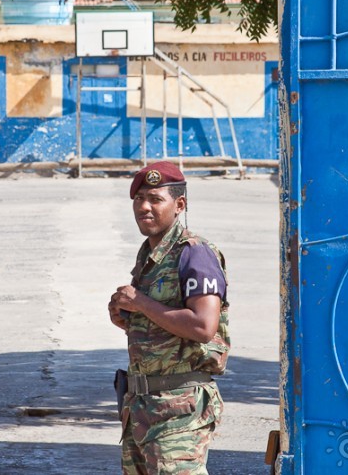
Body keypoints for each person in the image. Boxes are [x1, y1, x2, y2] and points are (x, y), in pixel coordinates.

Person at [109, 161, 230, 475]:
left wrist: (141, 303)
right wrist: (126, 316)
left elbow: (204, 326)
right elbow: (160, 322)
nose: (144, 207)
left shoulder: (195, 253)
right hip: (141, 407)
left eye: (155, 199)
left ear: (180, 205)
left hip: (179, 409)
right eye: (138, 199)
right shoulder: (150, 255)